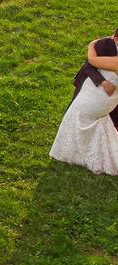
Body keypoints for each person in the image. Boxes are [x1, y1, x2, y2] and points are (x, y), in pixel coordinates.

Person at [50, 30, 118, 174]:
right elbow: (88, 67)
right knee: (96, 121)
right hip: (106, 100)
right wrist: (103, 82)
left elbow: (92, 60)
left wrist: (90, 46)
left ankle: (74, 153)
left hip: (96, 100)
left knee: (77, 117)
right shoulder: (105, 45)